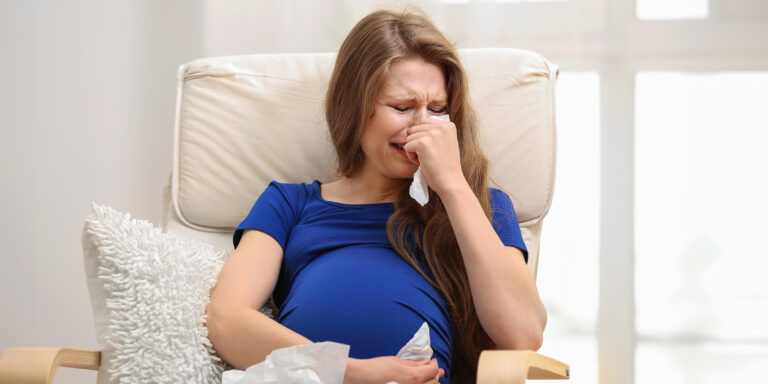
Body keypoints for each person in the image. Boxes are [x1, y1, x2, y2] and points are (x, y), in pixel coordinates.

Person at [205, 9, 547, 384]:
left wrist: (451, 183)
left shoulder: (481, 205)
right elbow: (226, 319)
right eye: (402, 108)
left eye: (437, 110)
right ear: (355, 108)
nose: (422, 127)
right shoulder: (289, 204)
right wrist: (354, 373)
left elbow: (523, 334)